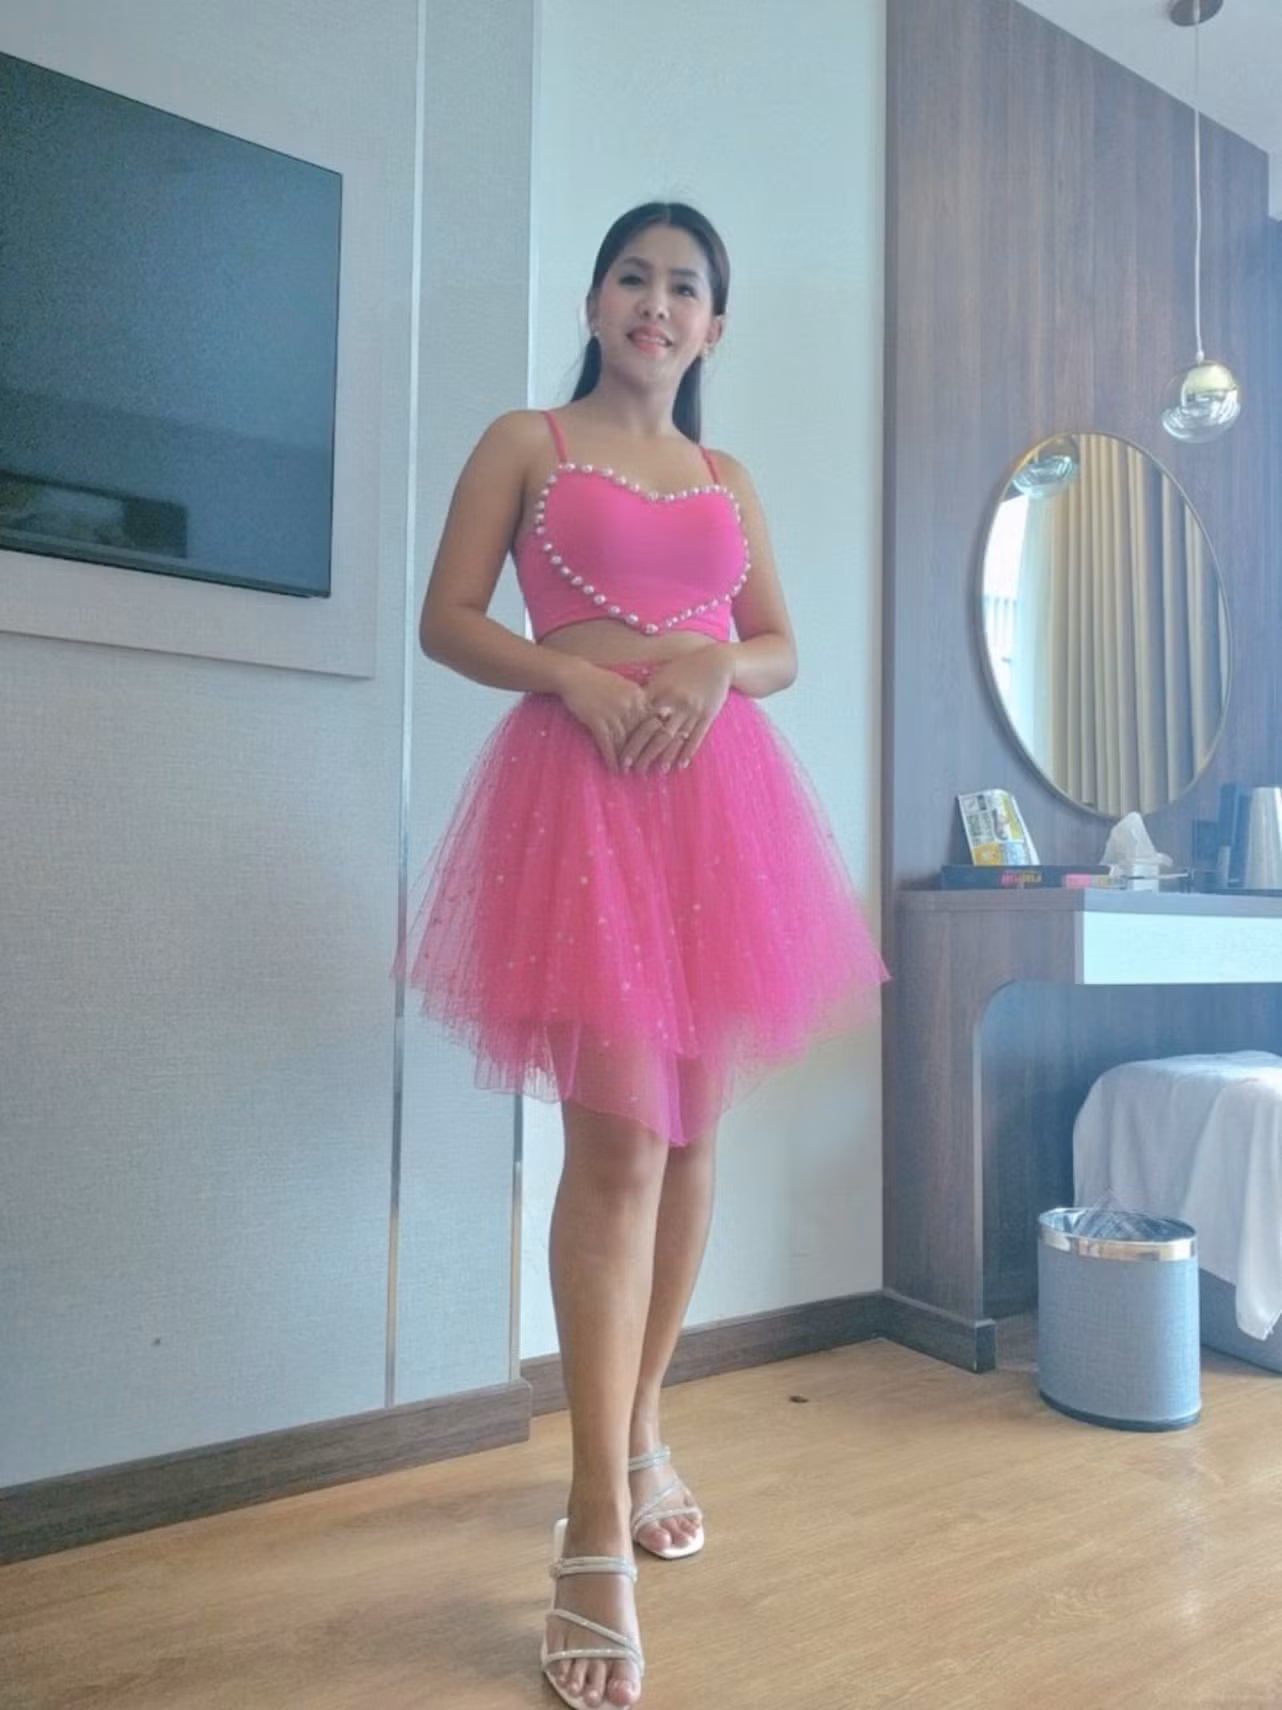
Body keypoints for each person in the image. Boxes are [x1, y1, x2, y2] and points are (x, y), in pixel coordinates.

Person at [401, 201, 887, 1710]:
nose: (655, 303)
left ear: (712, 327)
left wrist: (714, 660)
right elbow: (446, 619)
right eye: (633, 277)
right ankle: (593, 1528)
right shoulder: (528, 441)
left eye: (684, 287)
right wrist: (572, 677)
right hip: (580, 807)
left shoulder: (726, 476)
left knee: (690, 1140)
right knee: (612, 1146)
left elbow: (779, 647)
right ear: (596, 301)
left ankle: (642, 1430)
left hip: (717, 818)